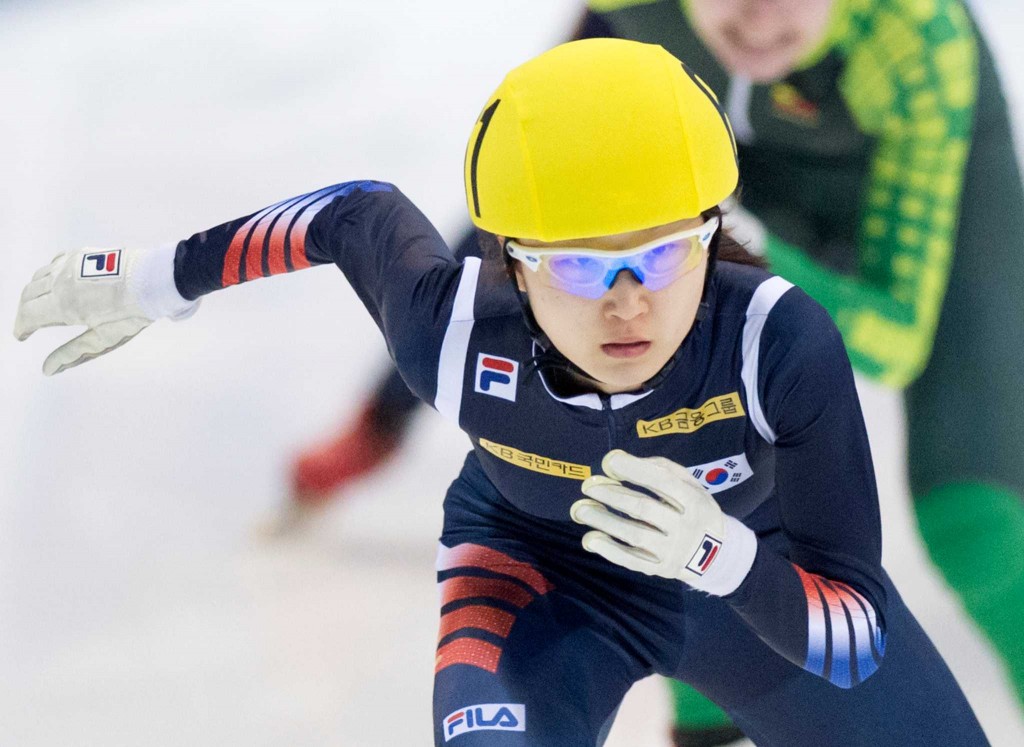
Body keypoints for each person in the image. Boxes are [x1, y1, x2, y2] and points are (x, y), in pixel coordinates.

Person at [14, 38, 988, 746]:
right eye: (576, 267)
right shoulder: (450, 330)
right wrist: (153, 278)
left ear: (710, 235)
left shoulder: (777, 340)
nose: (625, 304)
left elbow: (853, 635)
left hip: (748, 583)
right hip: (540, 580)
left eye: (659, 255)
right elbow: (351, 220)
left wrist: (722, 555)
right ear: (509, 268)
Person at [287, 2, 1024, 744]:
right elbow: (518, 214)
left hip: (861, 200)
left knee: (977, 523)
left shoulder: (913, 38)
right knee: (572, 241)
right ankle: (709, 700)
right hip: (705, 193)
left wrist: (744, 235)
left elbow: (892, 338)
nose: (761, 17)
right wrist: (391, 408)